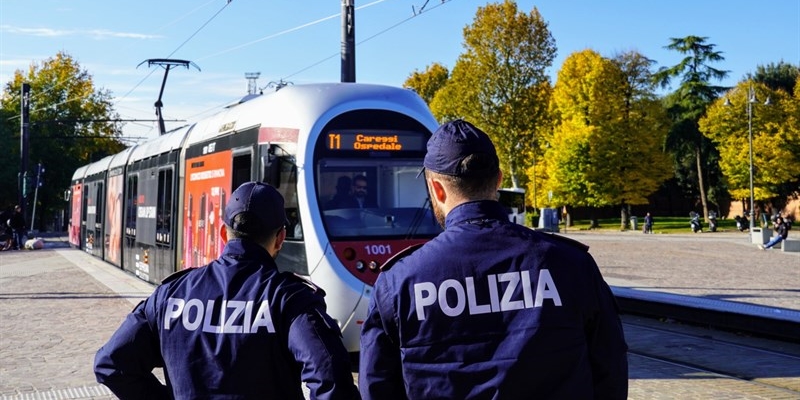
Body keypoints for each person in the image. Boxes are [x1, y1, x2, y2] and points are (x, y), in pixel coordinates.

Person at [359, 119, 628, 399]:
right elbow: (610, 369)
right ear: (498, 180)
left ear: (436, 189)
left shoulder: (399, 282)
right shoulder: (570, 264)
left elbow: (376, 387)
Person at [95, 182, 360, 400]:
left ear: (224, 233)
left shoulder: (170, 294)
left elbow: (112, 363)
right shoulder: (289, 299)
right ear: (280, 237)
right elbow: (331, 378)